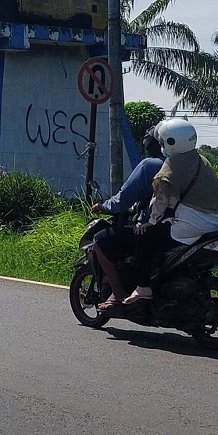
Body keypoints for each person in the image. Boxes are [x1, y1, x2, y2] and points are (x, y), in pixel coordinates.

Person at [119, 117, 218, 306]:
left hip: (193, 226)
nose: (161, 145)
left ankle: (143, 288)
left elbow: (161, 201)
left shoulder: (170, 167)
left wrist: (150, 222)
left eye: (163, 142)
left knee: (143, 236)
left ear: (171, 143)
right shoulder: (202, 160)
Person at [90, 134, 165, 314]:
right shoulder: (182, 164)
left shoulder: (149, 165)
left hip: (153, 227)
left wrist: (102, 206)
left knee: (100, 240)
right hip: (184, 227)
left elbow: (122, 200)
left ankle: (118, 293)